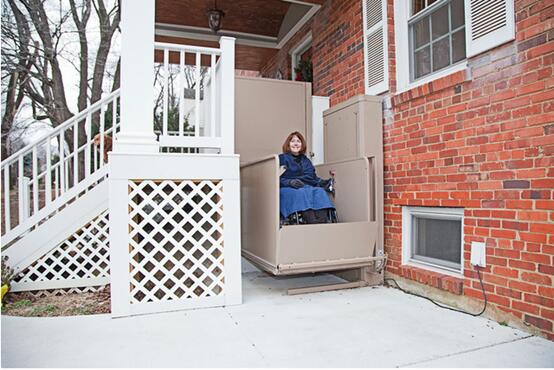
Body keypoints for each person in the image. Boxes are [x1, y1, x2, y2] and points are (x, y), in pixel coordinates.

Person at [279, 131, 334, 224]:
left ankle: (322, 222)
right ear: (288, 144)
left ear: (302, 144)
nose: (296, 143)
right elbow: (275, 179)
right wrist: (289, 182)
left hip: (305, 186)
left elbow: (312, 178)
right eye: (292, 141)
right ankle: (311, 223)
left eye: (298, 141)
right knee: (301, 193)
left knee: (319, 191)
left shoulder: (306, 160)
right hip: (287, 187)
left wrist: (323, 183)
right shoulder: (282, 158)